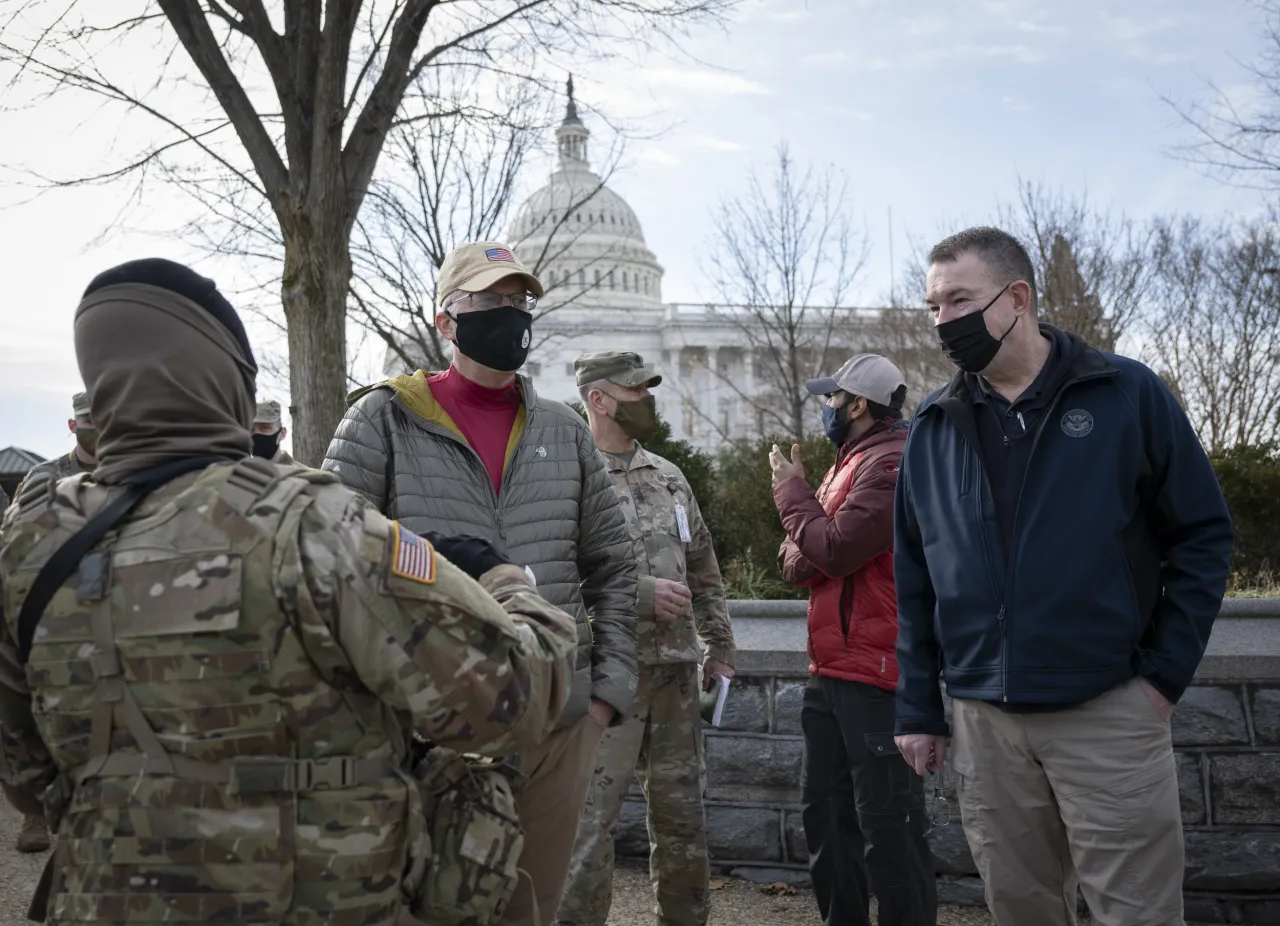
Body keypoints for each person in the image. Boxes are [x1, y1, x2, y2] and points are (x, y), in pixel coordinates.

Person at [0, 257, 578, 926]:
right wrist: (507, 582)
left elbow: (27, 777)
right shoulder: (312, 523)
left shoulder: (30, 544)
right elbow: (513, 699)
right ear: (226, 379)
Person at [894, 227, 1234, 926]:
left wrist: (1162, 679)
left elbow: (1202, 536)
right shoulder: (931, 426)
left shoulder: (1125, 393)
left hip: (1107, 712)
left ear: (1017, 298)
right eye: (931, 307)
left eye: (958, 299)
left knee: (1137, 913)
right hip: (985, 726)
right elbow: (916, 576)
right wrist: (920, 707)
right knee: (1021, 910)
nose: (942, 321)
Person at [322, 240, 638, 926]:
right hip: (428, 725)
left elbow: (612, 564)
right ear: (446, 320)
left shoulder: (565, 430)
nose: (511, 315)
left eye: (520, 301)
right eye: (491, 301)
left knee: (532, 908)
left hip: (556, 724)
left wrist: (605, 694)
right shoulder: (381, 419)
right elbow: (330, 564)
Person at [558, 351, 736, 926]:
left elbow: (704, 567)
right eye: (635, 390)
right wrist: (638, 595)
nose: (647, 400)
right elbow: (548, 577)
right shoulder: (569, 478)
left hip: (677, 677)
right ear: (599, 399)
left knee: (683, 822)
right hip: (607, 679)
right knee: (589, 826)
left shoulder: (669, 476)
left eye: (648, 389)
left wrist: (721, 647)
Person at [768, 354, 936, 926]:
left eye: (832, 399)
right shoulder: (849, 462)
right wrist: (811, 526)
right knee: (828, 821)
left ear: (858, 404)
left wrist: (792, 495)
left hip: (877, 674)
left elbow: (835, 548)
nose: (827, 409)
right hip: (831, 671)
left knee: (890, 829)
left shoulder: (892, 462)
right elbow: (797, 564)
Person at [2, 390, 96, 854]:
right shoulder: (45, 476)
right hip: (54, 604)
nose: (94, 428)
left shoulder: (130, 470)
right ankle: (33, 816)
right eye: (86, 421)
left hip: (107, 604)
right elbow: (16, 540)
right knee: (38, 708)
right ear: (72, 425)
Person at [13, 391, 97, 500]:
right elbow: (19, 516)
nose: (99, 427)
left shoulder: (124, 474)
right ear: (72, 425)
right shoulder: (42, 477)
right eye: (90, 421)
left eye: (105, 420)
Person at [251, 398, 295, 464]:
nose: (256, 433)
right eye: (251, 430)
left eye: (264, 428)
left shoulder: (302, 473)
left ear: (282, 433)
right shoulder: (237, 472)